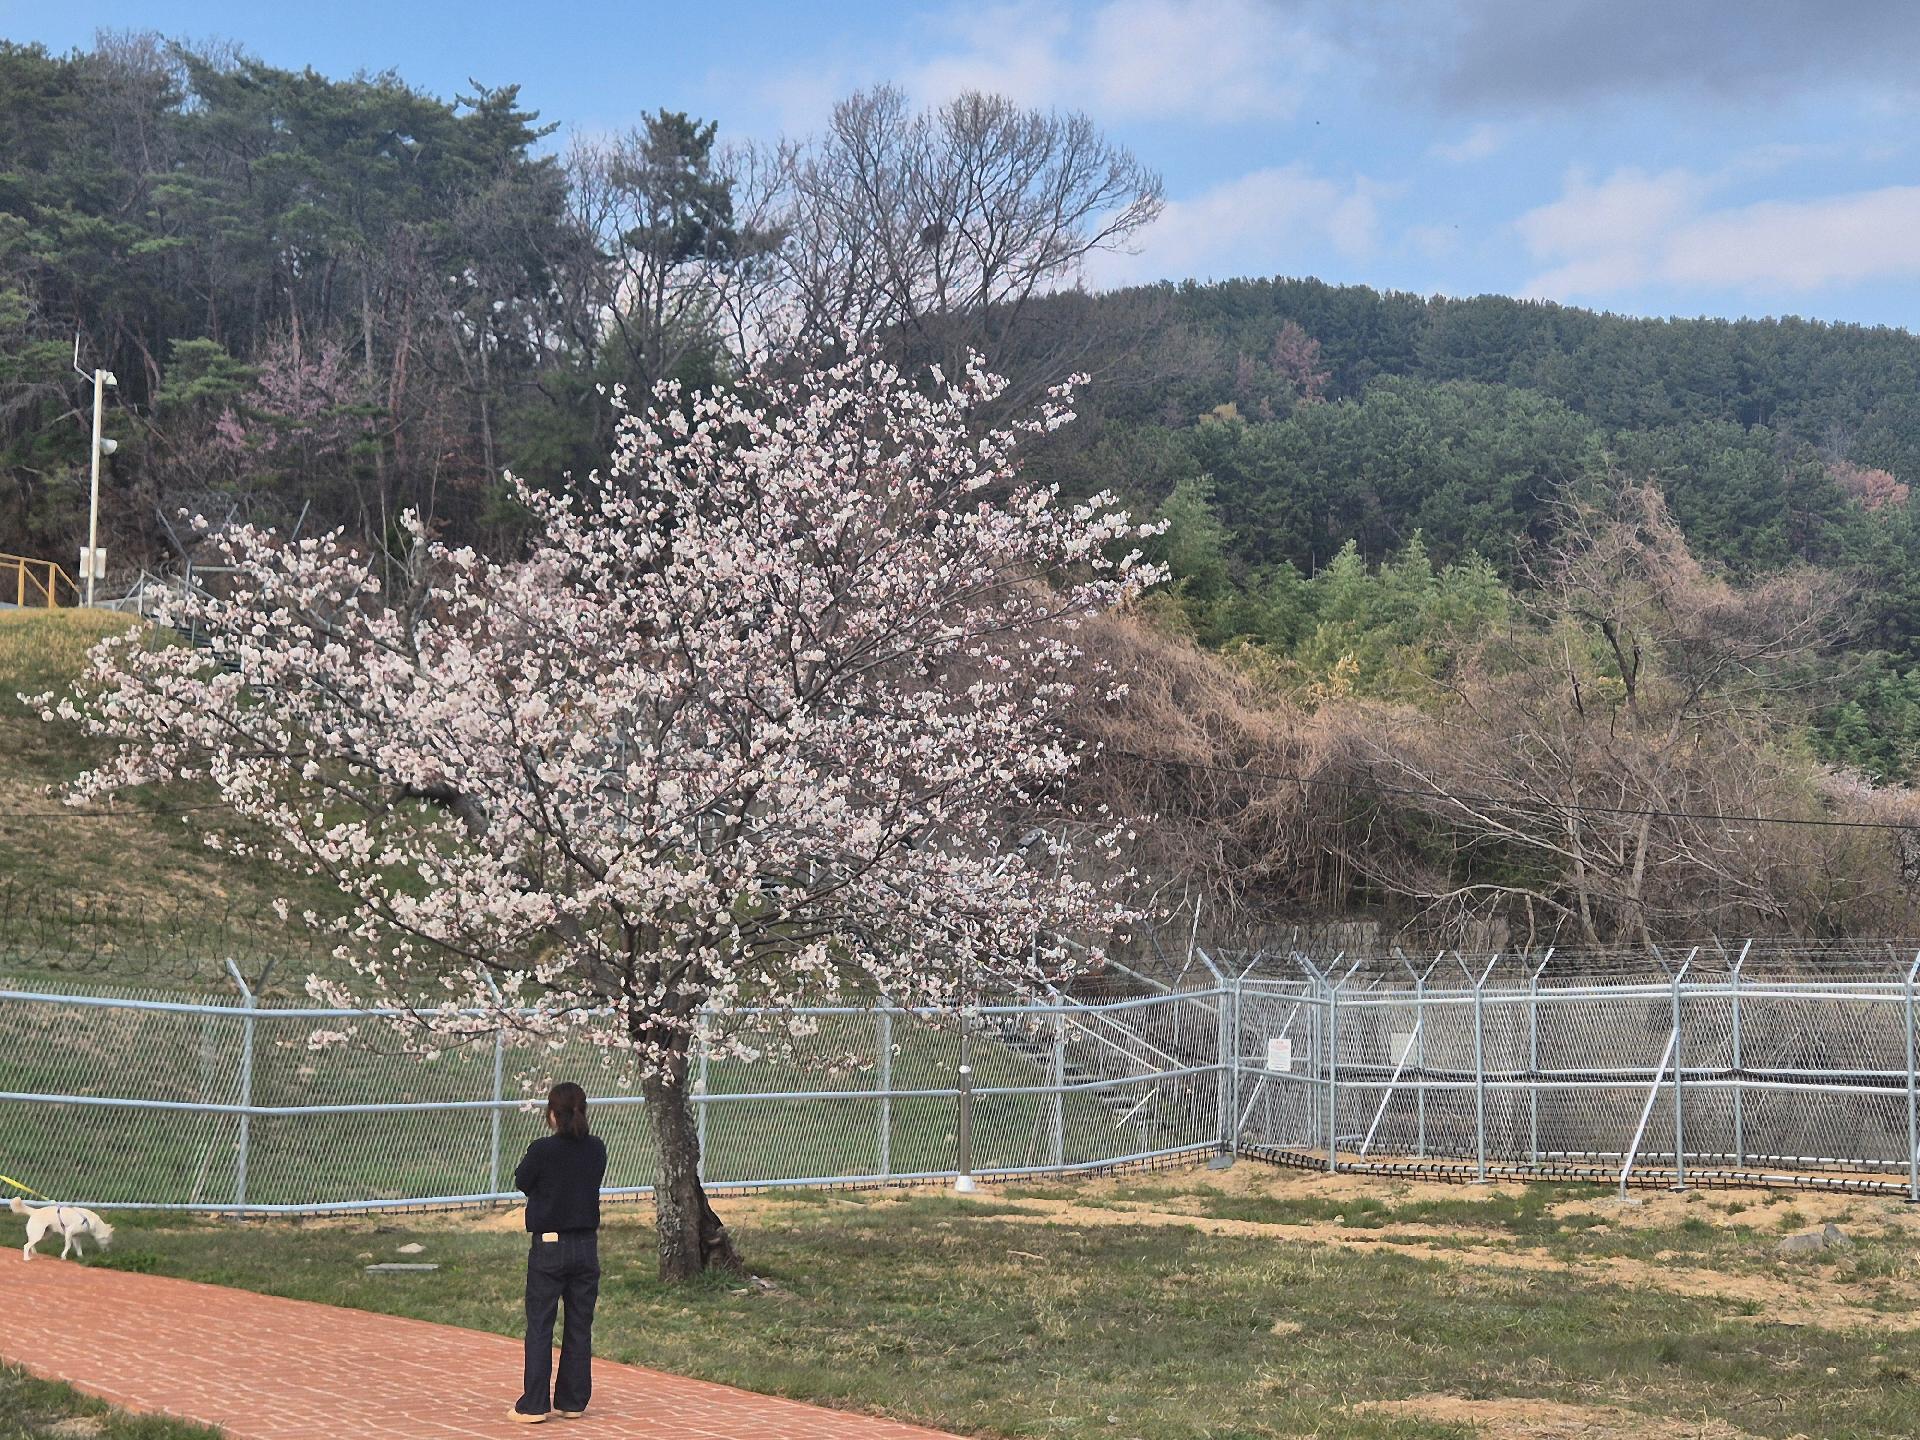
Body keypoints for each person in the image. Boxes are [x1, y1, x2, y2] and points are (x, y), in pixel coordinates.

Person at [509, 1082, 608, 1424]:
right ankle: (573, 1399)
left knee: (540, 1324)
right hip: (586, 1245)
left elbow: (523, 1180)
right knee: (579, 1323)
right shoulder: (596, 1148)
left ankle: (535, 1404)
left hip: (549, 1245)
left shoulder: (542, 1149)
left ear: (552, 1114)